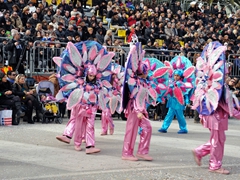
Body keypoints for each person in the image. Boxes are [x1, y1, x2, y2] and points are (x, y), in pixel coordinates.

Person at [191, 41, 240, 175]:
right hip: (216, 117)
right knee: (217, 141)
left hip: (215, 116)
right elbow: (226, 105)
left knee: (218, 139)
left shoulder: (212, 84)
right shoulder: (219, 87)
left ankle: (200, 151)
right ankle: (214, 165)